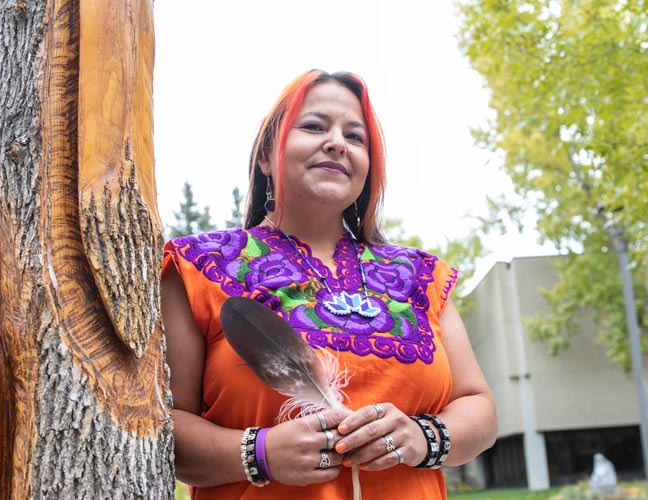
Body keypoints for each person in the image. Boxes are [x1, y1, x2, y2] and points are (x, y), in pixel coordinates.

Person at [161, 69, 497, 499]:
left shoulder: (422, 277)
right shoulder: (196, 268)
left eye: (355, 138)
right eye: (314, 126)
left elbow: (479, 410)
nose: (337, 142)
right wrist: (258, 453)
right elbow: (162, 426)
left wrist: (422, 436)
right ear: (266, 156)